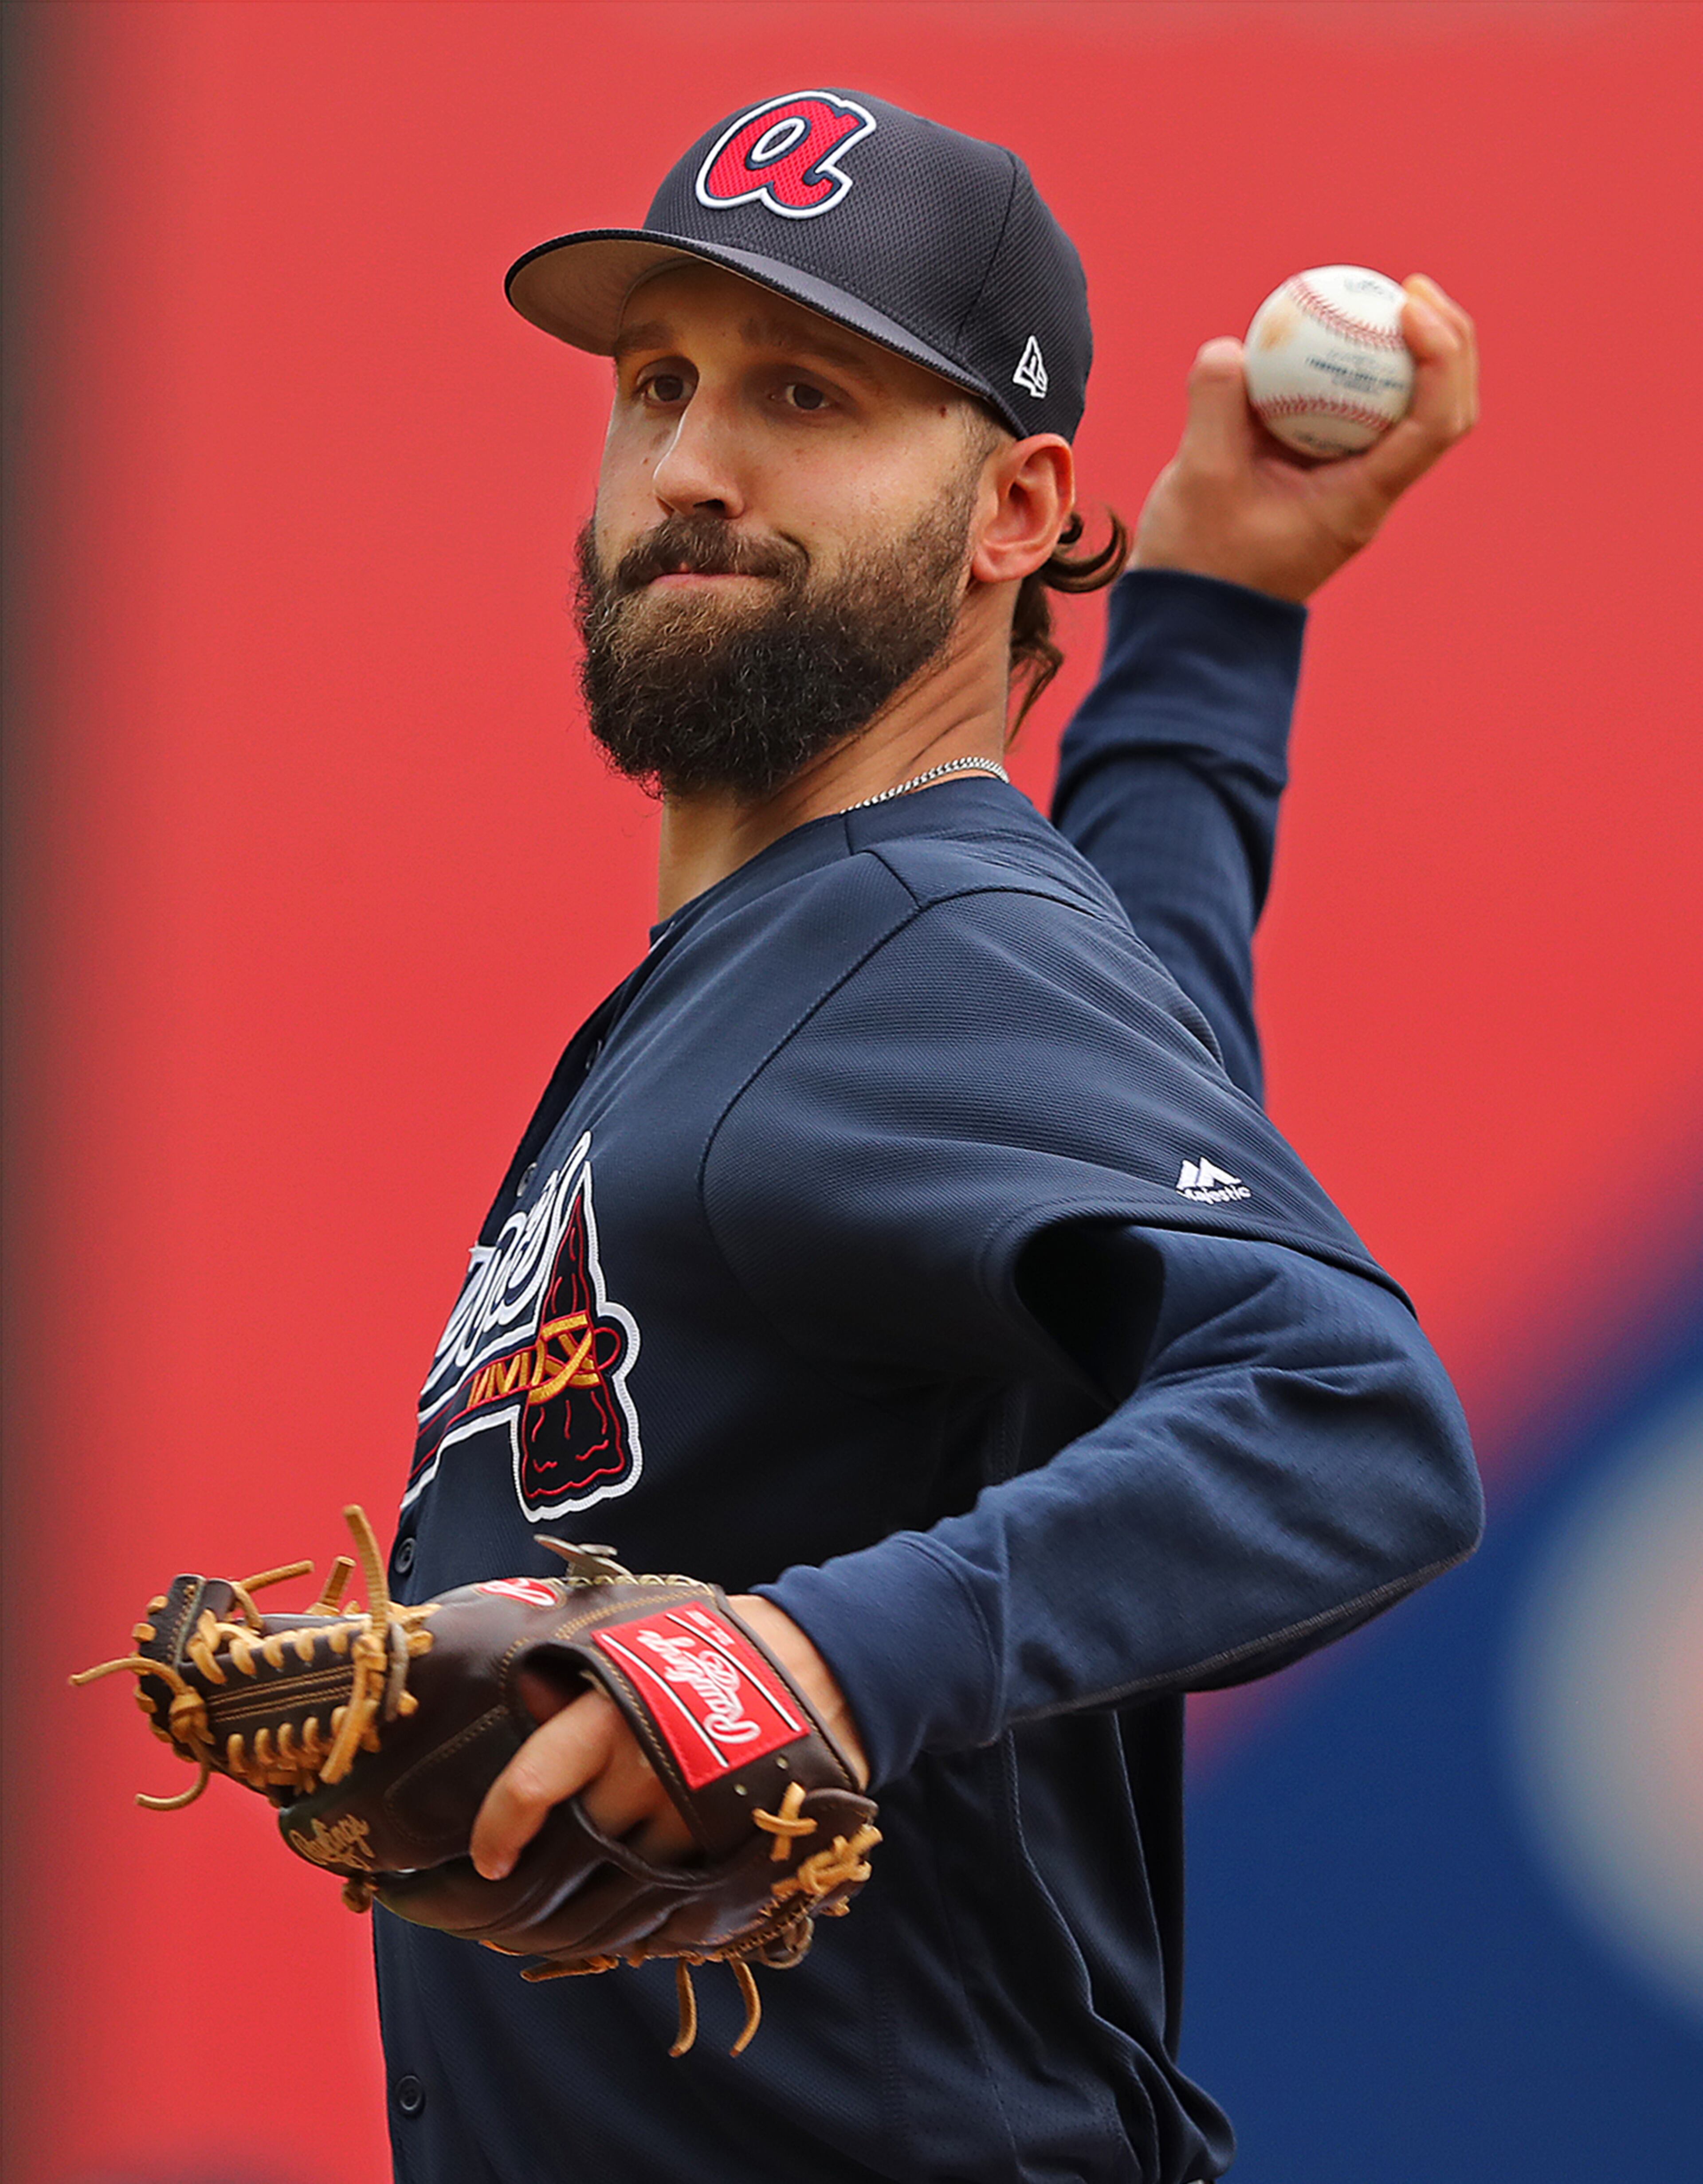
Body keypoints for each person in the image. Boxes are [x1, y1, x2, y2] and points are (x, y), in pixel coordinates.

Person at [379, 88, 1483, 2183]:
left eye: (809, 392)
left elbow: (1351, 1414)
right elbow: (1153, 1007)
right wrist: (1219, 615)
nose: (692, 464)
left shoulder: (912, 943)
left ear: (1012, 511)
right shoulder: (882, 951)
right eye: (659, 385)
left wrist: (803, 1654)